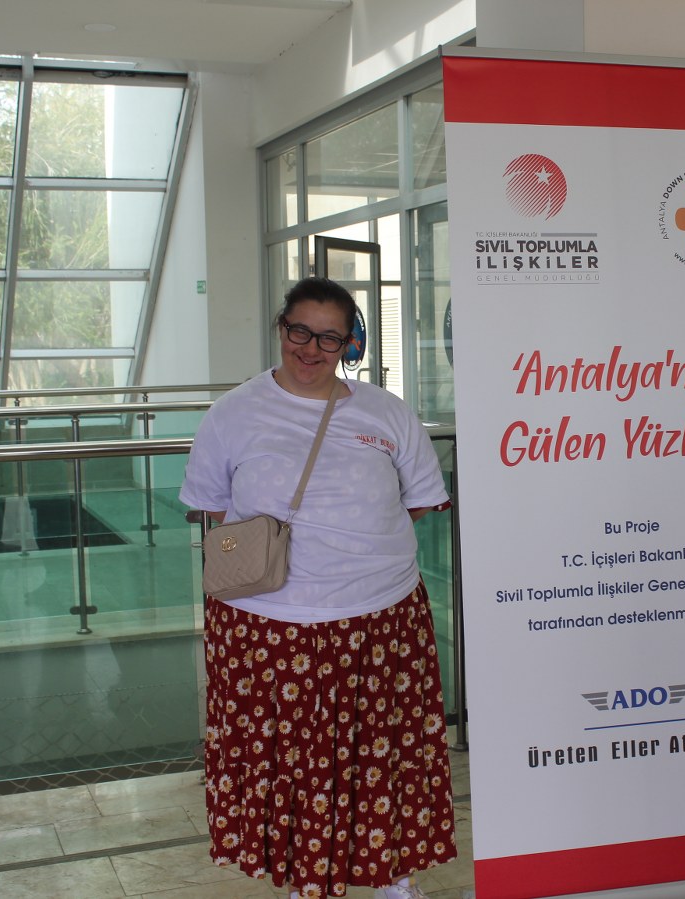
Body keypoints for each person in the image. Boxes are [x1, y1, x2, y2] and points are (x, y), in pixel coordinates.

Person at [180, 277, 457, 899]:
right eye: (300, 331)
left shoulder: (386, 412)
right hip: (269, 623)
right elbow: (215, 509)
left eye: (329, 338)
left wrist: (355, 549)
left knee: (382, 752)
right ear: (281, 328)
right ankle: (305, 878)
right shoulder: (233, 414)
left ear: (349, 343)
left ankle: (394, 876)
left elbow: (418, 499)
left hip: (381, 617)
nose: (311, 348)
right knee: (292, 762)